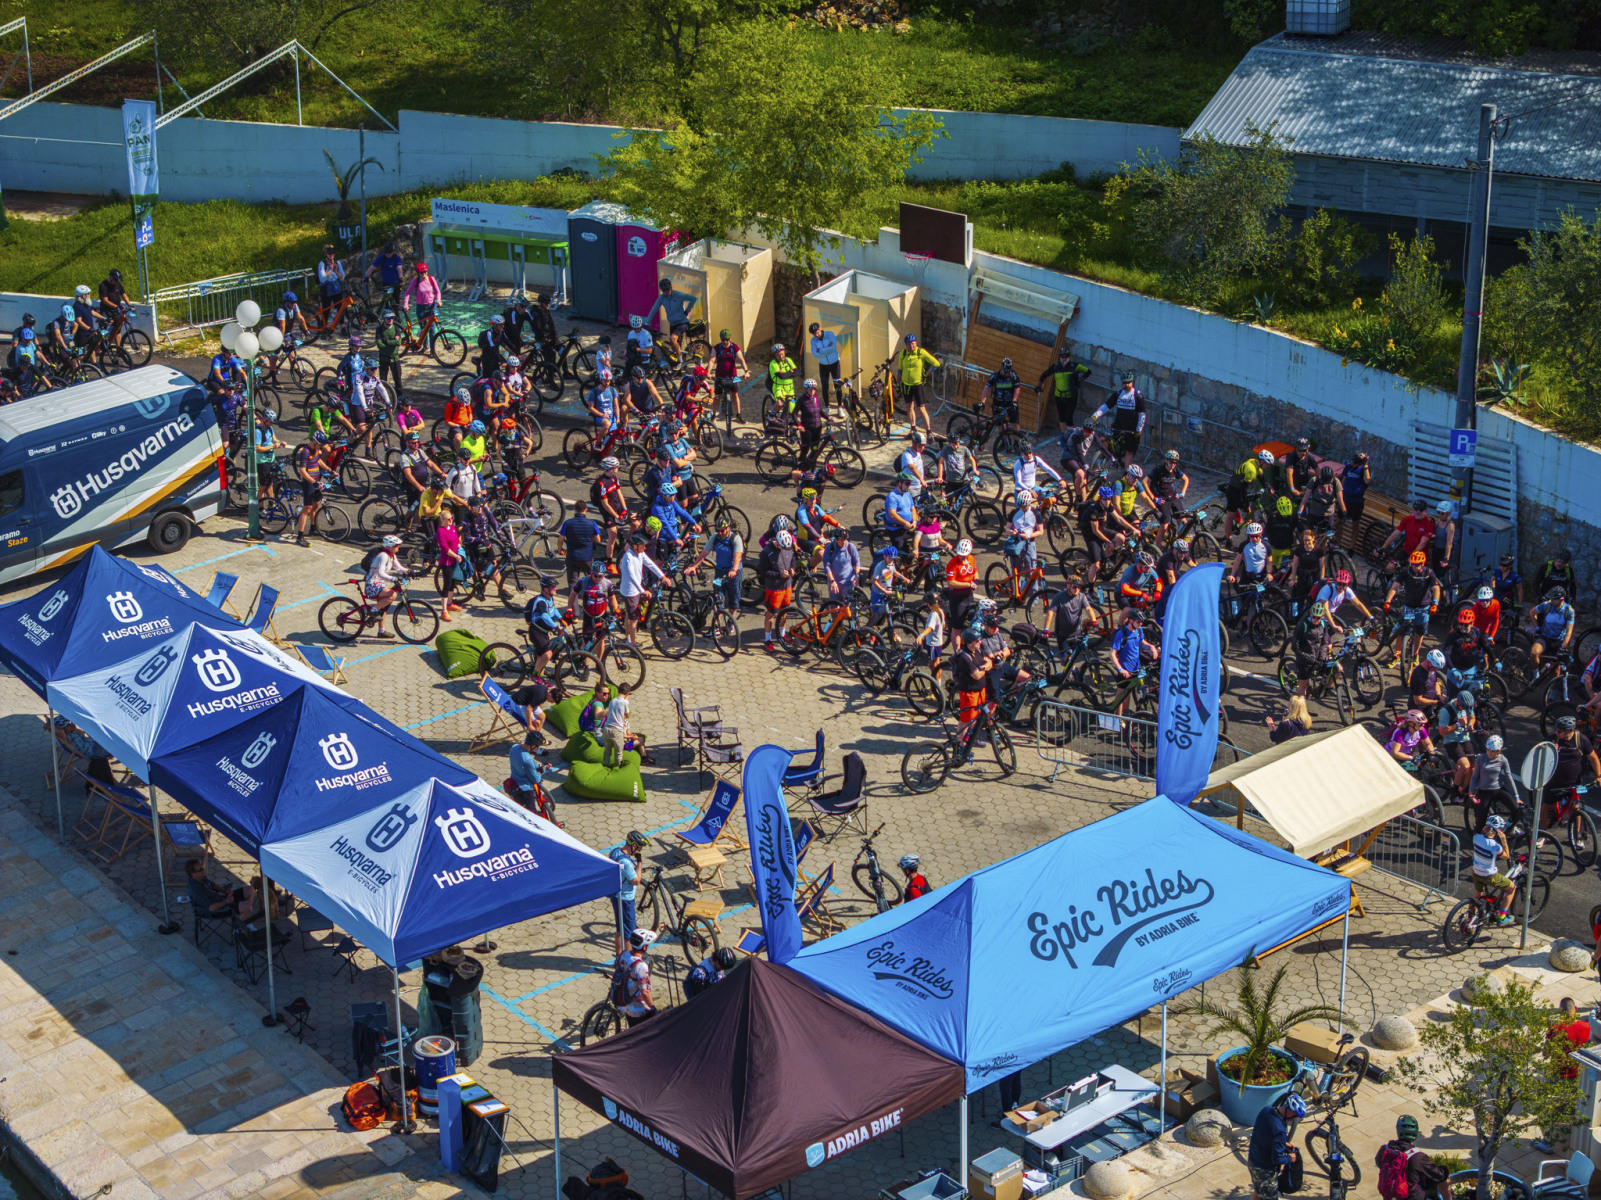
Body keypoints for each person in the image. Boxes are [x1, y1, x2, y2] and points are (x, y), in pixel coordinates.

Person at [1384, 551, 1442, 666]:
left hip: (1423, 608)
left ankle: (1415, 654)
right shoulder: (1406, 572)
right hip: (1409, 606)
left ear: (1423, 564)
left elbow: (1436, 588)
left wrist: (1435, 603)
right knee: (1401, 631)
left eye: (1417, 564)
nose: (1415, 567)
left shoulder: (1429, 573)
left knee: (1419, 632)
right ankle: (1397, 655)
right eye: (1413, 564)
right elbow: (1395, 587)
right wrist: (1388, 601)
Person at [1376, 1115, 1452, 1200]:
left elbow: (1379, 1163)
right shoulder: (1418, 1157)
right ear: (1415, 1133)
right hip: (1411, 1197)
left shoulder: (1385, 1150)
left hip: (1390, 1195)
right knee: (1444, 1176)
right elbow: (1439, 1175)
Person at [1248, 1092, 1307, 1200]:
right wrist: (1290, 1158)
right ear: (1290, 1112)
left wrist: (1282, 1143)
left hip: (1253, 1160)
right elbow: (1277, 1159)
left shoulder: (1266, 1111)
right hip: (1264, 1170)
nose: (1293, 1120)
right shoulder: (1280, 1130)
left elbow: (1266, 1133)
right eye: (1295, 1116)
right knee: (1269, 1196)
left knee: (1259, 1188)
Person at [617, 533, 669, 647]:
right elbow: (631, 576)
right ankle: (633, 644)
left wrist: (662, 576)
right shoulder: (628, 557)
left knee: (629, 615)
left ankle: (628, 637)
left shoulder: (640, 553)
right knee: (633, 619)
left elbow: (650, 564)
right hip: (630, 591)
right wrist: (642, 590)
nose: (644, 548)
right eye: (642, 546)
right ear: (635, 546)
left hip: (637, 589)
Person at [1080, 486, 1137, 584]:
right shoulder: (1094, 510)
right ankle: (1090, 589)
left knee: (1120, 538)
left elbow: (1118, 519)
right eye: (1105, 499)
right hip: (1090, 534)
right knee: (1096, 565)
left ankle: (1107, 562)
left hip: (1101, 529)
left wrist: (1133, 529)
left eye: (1109, 499)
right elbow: (1095, 531)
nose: (1107, 502)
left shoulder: (1108, 505)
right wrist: (1109, 542)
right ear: (1100, 498)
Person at [1471, 814, 1518, 926]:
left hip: (1476, 872)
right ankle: (1502, 917)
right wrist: (1504, 840)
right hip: (1489, 875)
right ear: (1498, 831)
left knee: (1477, 894)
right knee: (1511, 888)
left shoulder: (1476, 838)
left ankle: (1469, 917)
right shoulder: (1495, 846)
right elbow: (1506, 856)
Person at [1093, 371, 1147, 465]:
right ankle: (1100, 462)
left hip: (1131, 430)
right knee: (1104, 440)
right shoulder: (1118, 394)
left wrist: (1139, 429)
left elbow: (1142, 414)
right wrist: (1095, 416)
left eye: (1128, 382)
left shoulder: (1138, 396)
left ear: (1132, 382)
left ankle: (1126, 472)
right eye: (1124, 383)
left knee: (1129, 452)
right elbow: (1106, 406)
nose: (1126, 385)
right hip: (1118, 426)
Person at [1110, 608, 1156, 714]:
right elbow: (1112, 654)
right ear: (1130, 620)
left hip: (1135, 668)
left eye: (1141, 622)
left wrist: (1151, 647)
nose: (1140, 624)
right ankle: (1118, 718)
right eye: (1138, 622)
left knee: (1128, 693)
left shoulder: (1139, 630)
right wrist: (1120, 669)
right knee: (1120, 696)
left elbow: (1142, 642)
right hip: (1125, 670)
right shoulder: (1121, 634)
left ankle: (1126, 715)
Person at [608, 831, 647, 955]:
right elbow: (636, 881)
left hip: (616, 894)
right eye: (639, 848)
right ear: (634, 846)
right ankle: (629, 962)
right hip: (626, 899)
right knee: (629, 934)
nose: (639, 851)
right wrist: (639, 863)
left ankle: (619, 958)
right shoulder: (627, 864)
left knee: (620, 930)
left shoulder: (614, 852)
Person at [1038, 345, 1091, 433]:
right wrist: (1039, 385)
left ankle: (1070, 436)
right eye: (1062, 357)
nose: (1064, 359)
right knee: (1062, 417)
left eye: (1066, 357)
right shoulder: (1056, 366)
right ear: (1060, 357)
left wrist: (1080, 380)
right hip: (1059, 396)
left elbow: (1088, 371)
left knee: (1069, 417)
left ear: (1069, 357)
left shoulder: (1074, 366)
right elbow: (1044, 375)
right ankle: (1064, 435)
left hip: (1071, 396)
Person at [760, 529, 798, 650]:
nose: (785, 549)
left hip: (787, 586)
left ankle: (782, 634)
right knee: (771, 614)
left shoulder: (788, 547)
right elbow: (763, 572)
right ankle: (767, 639)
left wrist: (792, 568)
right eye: (783, 547)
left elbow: (793, 559)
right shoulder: (766, 552)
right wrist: (779, 575)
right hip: (774, 589)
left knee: (784, 611)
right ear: (777, 542)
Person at [612, 928, 658, 1027]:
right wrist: (653, 1008)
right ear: (644, 947)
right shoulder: (641, 966)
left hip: (625, 1003)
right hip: (638, 1010)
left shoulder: (624, 954)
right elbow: (645, 992)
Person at [361, 535, 406, 637]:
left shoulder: (391, 555)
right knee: (392, 594)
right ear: (389, 546)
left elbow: (399, 568)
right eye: (396, 545)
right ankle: (373, 611)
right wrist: (393, 579)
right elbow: (380, 573)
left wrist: (409, 571)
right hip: (371, 585)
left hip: (378, 584)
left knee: (384, 607)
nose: (398, 547)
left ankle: (381, 631)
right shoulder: (383, 556)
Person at [602, 681, 655, 766]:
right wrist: (626, 702)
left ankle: (605, 765)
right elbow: (627, 715)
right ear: (627, 693)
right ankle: (618, 768)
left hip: (607, 729)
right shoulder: (624, 702)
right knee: (618, 754)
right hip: (617, 731)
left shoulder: (612, 701)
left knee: (607, 752)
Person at [895, 333, 939, 434]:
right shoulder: (903, 354)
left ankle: (929, 432)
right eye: (909, 344)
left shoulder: (921, 352)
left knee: (921, 409)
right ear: (906, 345)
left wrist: (927, 373)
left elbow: (936, 363)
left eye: (913, 343)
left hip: (917, 385)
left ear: (916, 343)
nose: (911, 346)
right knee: (909, 407)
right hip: (906, 385)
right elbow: (900, 371)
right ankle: (913, 429)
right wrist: (898, 384)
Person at [1547, 714, 1601, 795]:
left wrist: (1598, 776)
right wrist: (1550, 750)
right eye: (1556, 730)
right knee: (1548, 803)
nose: (1556, 733)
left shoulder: (1581, 740)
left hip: (1573, 783)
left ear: (1569, 731)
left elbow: (1593, 758)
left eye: (1559, 731)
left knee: (1575, 802)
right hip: (1553, 782)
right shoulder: (1552, 739)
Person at [1291, 602, 1336, 696]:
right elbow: (1295, 647)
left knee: (1336, 668)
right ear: (1310, 614)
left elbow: (1324, 642)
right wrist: (1308, 657)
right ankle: (1301, 704)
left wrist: (1321, 658)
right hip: (1305, 658)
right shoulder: (1302, 626)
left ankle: (1326, 688)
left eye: (1318, 618)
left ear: (1322, 617)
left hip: (1318, 656)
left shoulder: (1323, 625)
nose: (1315, 619)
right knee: (1303, 684)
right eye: (1313, 617)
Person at [1526, 586, 1575, 670]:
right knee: (1533, 654)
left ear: (1561, 599)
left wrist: (1563, 647)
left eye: (1554, 599)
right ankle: (1535, 673)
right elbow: (1532, 613)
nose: (1551, 600)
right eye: (1551, 598)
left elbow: (1569, 631)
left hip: (1558, 641)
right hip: (1544, 637)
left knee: (1555, 670)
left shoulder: (1569, 611)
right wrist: (1537, 627)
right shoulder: (1547, 605)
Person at [645, 278, 695, 358]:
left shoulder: (678, 295)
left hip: (682, 322)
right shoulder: (662, 297)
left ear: (671, 287)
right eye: (664, 290)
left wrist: (687, 310)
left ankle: (681, 361)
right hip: (672, 324)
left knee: (672, 339)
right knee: (673, 345)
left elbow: (693, 298)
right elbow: (654, 309)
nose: (666, 292)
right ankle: (678, 360)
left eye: (668, 289)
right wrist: (647, 321)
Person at [1047, 576, 1096, 652]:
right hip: (1062, 634)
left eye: (1079, 587)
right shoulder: (1059, 596)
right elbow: (1051, 612)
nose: (1077, 589)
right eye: (1075, 587)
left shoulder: (1082, 597)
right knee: (1067, 655)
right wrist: (1046, 628)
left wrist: (1094, 620)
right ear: (1068, 586)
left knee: (1074, 655)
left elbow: (1088, 609)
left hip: (1076, 633)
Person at [1381, 498, 1437, 563]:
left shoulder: (1429, 523)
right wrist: (1383, 547)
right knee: (1390, 566)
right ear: (1413, 510)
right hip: (1406, 551)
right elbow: (1395, 533)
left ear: (1425, 511)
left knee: (1412, 568)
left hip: (1419, 554)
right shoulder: (1408, 519)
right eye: (1416, 509)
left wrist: (1412, 556)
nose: (1418, 511)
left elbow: (1423, 543)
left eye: (1421, 510)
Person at [713, 329, 750, 420]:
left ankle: (738, 414)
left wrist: (746, 371)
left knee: (735, 395)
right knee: (717, 396)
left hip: (733, 376)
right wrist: (708, 372)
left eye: (727, 340)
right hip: (720, 376)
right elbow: (711, 360)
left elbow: (741, 360)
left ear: (730, 339)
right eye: (723, 340)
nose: (725, 342)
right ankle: (713, 415)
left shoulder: (735, 347)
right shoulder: (716, 348)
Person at [982, 356, 1024, 434]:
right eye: (1006, 372)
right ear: (1001, 368)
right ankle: (1003, 439)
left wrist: (1014, 401)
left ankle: (1016, 440)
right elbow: (986, 389)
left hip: (1010, 403)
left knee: (1015, 423)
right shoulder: (994, 376)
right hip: (998, 403)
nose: (1007, 374)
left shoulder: (1014, 375)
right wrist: (983, 402)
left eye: (1009, 372)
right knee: (1001, 424)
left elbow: (1017, 389)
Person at [946, 538, 978, 632]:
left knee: (972, 621)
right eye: (960, 554)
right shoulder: (952, 563)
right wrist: (968, 584)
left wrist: (975, 581)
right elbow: (951, 583)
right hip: (957, 597)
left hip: (969, 595)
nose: (961, 557)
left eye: (964, 555)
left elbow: (975, 572)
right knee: (956, 628)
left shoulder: (971, 558)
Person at [884, 472, 919, 555]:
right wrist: (904, 523)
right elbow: (892, 514)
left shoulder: (908, 495)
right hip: (896, 528)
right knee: (902, 551)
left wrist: (914, 522)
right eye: (907, 483)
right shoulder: (892, 496)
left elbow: (913, 509)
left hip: (908, 525)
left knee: (923, 536)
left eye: (910, 483)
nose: (909, 486)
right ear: (899, 483)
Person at [823, 525, 860, 604]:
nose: (844, 542)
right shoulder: (830, 548)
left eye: (845, 539)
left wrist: (857, 575)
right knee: (834, 606)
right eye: (841, 540)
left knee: (848, 607)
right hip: (835, 583)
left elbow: (857, 562)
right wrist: (832, 581)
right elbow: (827, 566)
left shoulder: (851, 547)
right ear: (836, 539)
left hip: (848, 583)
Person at [1408, 649, 1449, 716]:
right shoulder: (1418, 676)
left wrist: (1438, 694)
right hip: (1419, 711)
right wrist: (1437, 702)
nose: (1436, 669)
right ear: (1429, 662)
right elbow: (1417, 700)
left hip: (1429, 707)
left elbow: (1435, 683)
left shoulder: (1432, 669)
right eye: (1435, 667)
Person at [807, 322, 840, 403]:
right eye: (814, 334)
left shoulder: (830, 334)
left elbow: (832, 348)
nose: (816, 335)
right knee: (824, 386)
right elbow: (815, 354)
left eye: (817, 332)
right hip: (823, 365)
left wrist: (820, 350)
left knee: (837, 384)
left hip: (835, 363)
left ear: (820, 329)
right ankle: (826, 406)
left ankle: (839, 405)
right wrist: (827, 348)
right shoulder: (813, 340)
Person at [914, 591, 946, 671]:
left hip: (932, 643)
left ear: (928, 604)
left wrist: (921, 635)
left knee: (932, 664)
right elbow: (943, 625)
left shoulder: (933, 615)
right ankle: (938, 678)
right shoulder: (940, 611)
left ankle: (935, 677)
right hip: (938, 641)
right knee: (937, 662)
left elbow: (930, 628)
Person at [315, 243, 346, 324]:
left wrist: (336, 271)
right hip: (326, 290)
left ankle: (342, 326)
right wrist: (330, 269)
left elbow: (342, 277)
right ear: (325, 254)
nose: (331, 254)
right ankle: (324, 327)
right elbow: (322, 279)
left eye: (332, 252)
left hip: (336, 289)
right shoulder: (322, 264)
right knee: (326, 309)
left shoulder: (337, 263)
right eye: (329, 253)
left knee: (340, 308)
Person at [1341, 451, 1371, 530]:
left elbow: (1367, 480)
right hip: (1345, 498)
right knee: (1339, 521)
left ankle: (1353, 539)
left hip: (1356, 501)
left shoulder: (1363, 470)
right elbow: (1343, 480)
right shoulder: (1349, 466)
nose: (1353, 464)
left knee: (1355, 524)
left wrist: (1366, 465)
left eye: (1355, 463)